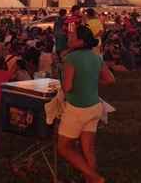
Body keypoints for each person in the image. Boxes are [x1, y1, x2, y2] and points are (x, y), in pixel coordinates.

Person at [57, 25, 115, 183]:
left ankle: (95, 178)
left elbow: (67, 87)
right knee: (88, 149)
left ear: (80, 41)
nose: (69, 37)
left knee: (63, 147)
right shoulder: (95, 56)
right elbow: (110, 79)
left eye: (72, 36)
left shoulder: (71, 58)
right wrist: (91, 81)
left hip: (77, 109)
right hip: (94, 107)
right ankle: (92, 180)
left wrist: (62, 79)